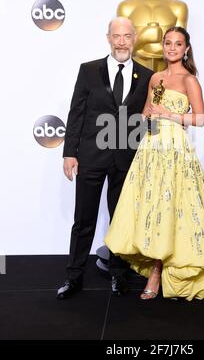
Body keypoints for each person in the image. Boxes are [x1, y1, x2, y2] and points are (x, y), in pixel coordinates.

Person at [105, 26, 204, 301]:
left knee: (173, 208)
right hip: (151, 147)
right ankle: (156, 264)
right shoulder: (155, 77)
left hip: (175, 149)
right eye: (168, 43)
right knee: (153, 207)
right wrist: (147, 115)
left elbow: (200, 118)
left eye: (178, 44)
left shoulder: (189, 80)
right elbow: (147, 111)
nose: (172, 48)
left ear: (186, 49)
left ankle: (158, 273)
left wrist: (169, 114)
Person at [57, 17, 153, 299]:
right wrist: (69, 153)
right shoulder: (88, 71)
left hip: (126, 158)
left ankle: (118, 275)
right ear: (108, 38)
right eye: (116, 36)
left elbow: (145, 119)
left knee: (121, 221)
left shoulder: (147, 76)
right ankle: (73, 278)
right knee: (83, 219)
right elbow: (76, 113)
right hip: (90, 156)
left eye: (126, 36)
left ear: (134, 38)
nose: (121, 41)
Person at [117, 0, 188, 72]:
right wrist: (143, 38)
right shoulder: (126, 7)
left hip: (168, 77)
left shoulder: (178, 7)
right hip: (135, 77)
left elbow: (180, 49)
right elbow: (121, 51)